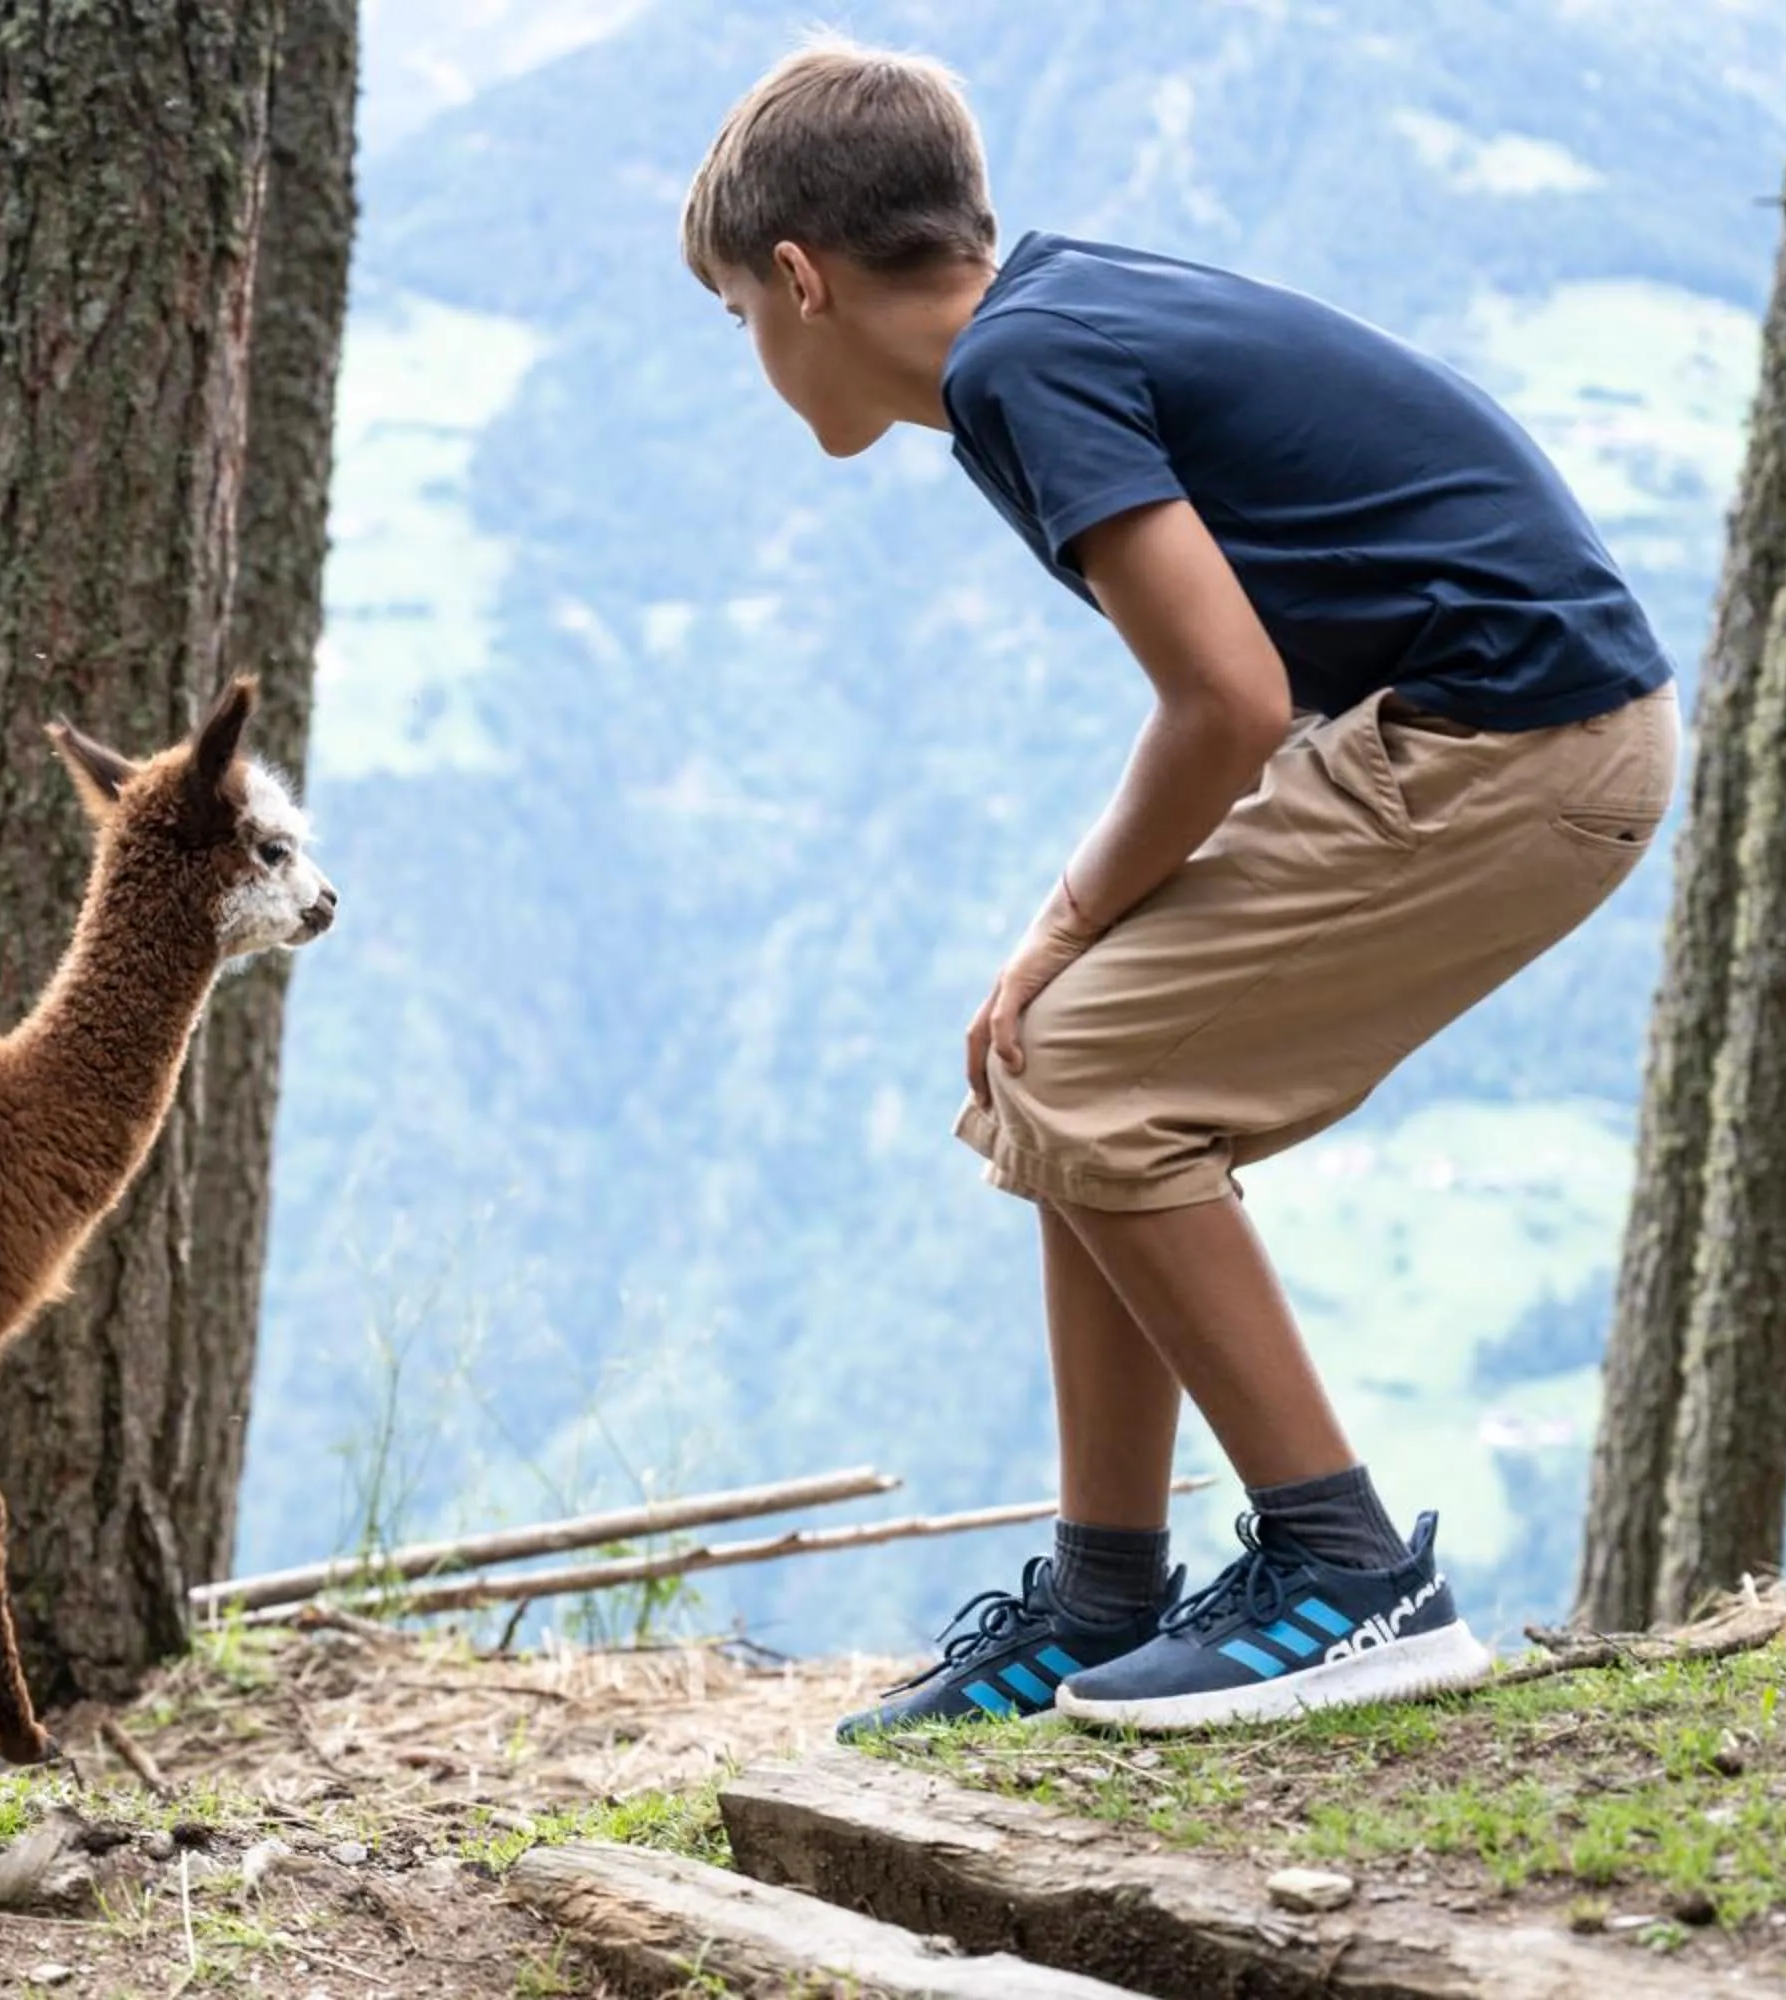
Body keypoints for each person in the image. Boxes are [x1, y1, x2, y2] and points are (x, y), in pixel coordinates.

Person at [680, 38, 1679, 1735]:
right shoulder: (1050, 320)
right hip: (1490, 725)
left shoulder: (1018, 371)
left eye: (739, 317)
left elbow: (1221, 698)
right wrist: (1078, 944)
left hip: (1517, 744)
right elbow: (1257, 687)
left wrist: (1066, 917)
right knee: (1068, 1060)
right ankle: (1103, 1594)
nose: (755, 353)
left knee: (1078, 1055)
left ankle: (1354, 1577)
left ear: (801, 280)